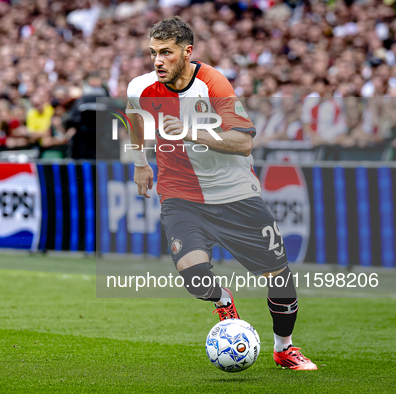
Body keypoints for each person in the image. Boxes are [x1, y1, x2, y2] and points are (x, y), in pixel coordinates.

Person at [127, 16, 317, 370]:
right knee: (194, 276)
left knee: (280, 280)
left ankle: (284, 348)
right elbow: (133, 121)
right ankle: (223, 301)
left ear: (187, 52)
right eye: (153, 53)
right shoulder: (140, 86)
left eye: (166, 53)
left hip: (235, 195)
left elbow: (243, 142)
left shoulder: (213, 84)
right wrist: (139, 162)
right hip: (180, 195)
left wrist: (192, 132)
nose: (157, 61)